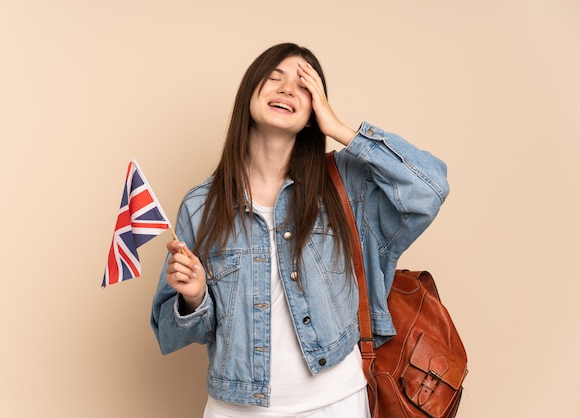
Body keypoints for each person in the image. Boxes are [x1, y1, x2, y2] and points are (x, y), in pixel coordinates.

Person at [150, 42, 449, 417]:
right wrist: (194, 298)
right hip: (236, 408)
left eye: (304, 86)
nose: (287, 89)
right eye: (274, 78)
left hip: (335, 404)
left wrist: (341, 129)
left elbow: (429, 189)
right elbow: (168, 333)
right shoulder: (201, 205)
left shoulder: (345, 187)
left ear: (313, 112)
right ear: (249, 95)